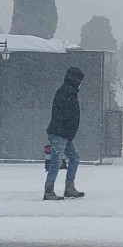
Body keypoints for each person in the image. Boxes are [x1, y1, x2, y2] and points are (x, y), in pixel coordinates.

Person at [44, 67, 86, 201]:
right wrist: (68, 130)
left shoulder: (68, 91)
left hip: (64, 133)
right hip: (60, 133)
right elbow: (67, 115)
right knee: (57, 161)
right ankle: (49, 190)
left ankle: (68, 187)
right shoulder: (67, 92)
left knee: (73, 158)